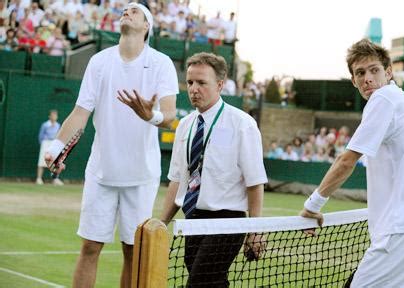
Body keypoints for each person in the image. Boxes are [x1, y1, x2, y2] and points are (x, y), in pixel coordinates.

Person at [44, 3, 178, 287]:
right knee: (90, 247)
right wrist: (56, 148)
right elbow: (80, 112)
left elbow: (169, 115)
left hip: (141, 176)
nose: (126, 12)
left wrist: (149, 115)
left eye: (135, 11)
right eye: (125, 10)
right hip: (101, 172)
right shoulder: (100, 61)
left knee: (133, 252)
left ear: (146, 27)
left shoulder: (161, 63)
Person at [300, 39, 404, 287]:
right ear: (353, 80)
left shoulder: (384, 99)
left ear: (389, 72)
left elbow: (346, 160)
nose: (368, 78)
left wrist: (313, 205)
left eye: (374, 70)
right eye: (360, 73)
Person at [159, 52, 267, 287]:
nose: (194, 89)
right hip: (193, 220)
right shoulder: (185, 125)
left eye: (201, 83)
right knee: (213, 283)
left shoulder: (242, 124)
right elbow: (178, 180)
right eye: (190, 82)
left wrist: (255, 230)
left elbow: (255, 182)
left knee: (198, 283)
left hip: (228, 221)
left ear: (219, 84)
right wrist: (160, 223)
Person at [36, 110, 63, 185]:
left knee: (55, 162)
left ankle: (55, 179)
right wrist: (43, 144)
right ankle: (39, 179)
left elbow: (59, 135)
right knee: (42, 161)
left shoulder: (58, 125)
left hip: (54, 143)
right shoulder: (45, 125)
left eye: (55, 115)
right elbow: (40, 136)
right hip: (45, 143)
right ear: (49, 116)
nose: (54, 117)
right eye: (52, 115)